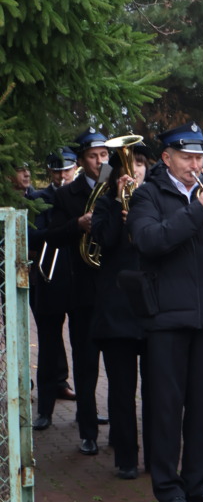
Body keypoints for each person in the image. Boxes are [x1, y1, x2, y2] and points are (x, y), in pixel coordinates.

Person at [127, 121, 203, 502]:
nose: (196, 165)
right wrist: (197, 211)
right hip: (167, 317)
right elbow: (150, 240)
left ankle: (198, 483)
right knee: (166, 407)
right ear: (167, 158)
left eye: (199, 158)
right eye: (187, 157)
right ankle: (167, 487)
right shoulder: (148, 195)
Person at [45, 128, 110, 455]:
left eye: (104, 155)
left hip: (116, 290)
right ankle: (88, 431)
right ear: (82, 161)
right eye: (93, 156)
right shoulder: (66, 194)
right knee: (86, 365)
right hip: (83, 291)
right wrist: (78, 225)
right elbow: (52, 236)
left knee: (120, 366)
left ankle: (120, 431)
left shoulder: (119, 185)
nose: (100, 161)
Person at [90, 142, 152, 479]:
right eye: (129, 164)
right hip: (117, 309)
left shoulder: (156, 200)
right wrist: (117, 203)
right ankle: (126, 458)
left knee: (157, 390)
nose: (135, 170)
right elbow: (106, 241)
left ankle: (157, 457)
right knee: (122, 390)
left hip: (153, 307)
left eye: (140, 163)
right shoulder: (104, 202)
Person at [30, 147, 78, 432]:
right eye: (58, 171)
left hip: (81, 280)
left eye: (67, 170)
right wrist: (67, 228)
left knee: (85, 350)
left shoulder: (85, 196)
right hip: (51, 279)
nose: (62, 175)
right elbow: (33, 235)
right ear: (50, 171)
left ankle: (87, 412)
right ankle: (45, 411)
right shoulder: (40, 198)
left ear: (75, 169)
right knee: (48, 347)